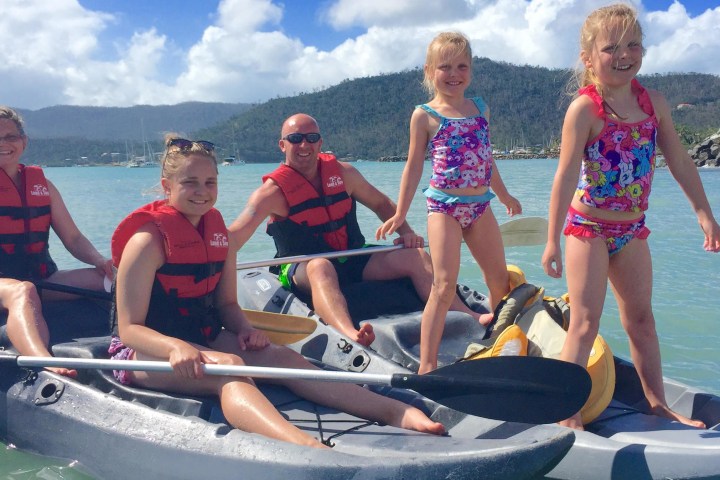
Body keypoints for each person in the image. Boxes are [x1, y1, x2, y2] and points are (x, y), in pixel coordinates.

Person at [109, 134, 445, 447]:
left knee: (284, 357)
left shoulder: (218, 236)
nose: (202, 191)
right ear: (168, 186)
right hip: (145, 352)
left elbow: (226, 304)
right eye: (190, 182)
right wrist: (175, 347)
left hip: (203, 336)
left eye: (210, 182)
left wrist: (244, 329)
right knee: (227, 369)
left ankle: (394, 412)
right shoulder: (146, 243)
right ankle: (303, 445)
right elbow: (129, 330)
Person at [541, 4, 720, 430]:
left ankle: (657, 404)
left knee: (642, 320)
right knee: (584, 323)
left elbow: (677, 158)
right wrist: (552, 239)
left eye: (633, 44)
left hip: (632, 229)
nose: (625, 54)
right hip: (588, 228)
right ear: (588, 59)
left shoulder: (653, 103)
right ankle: (566, 413)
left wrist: (704, 213)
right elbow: (564, 177)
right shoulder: (585, 110)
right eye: (612, 47)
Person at [229, 113, 487, 348]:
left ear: (320, 143)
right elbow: (237, 235)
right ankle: (349, 333)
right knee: (320, 266)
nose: (304, 145)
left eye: (312, 138)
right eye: (295, 139)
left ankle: (466, 314)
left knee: (415, 255)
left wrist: (405, 231)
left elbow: (381, 203)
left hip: (349, 255)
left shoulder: (344, 174)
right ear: (282, 145)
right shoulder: (270, 194)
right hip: (302, 267)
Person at [376, 32, 522, 374]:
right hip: (444, 208)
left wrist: (503, 194)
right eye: (445, 67)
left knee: (499, 280)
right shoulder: (424, 115)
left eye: (462, 66)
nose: (454, 74)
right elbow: (413, 167)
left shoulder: (480, 108)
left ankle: (497, 346)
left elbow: (487, 159)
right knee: (443, 286)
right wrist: (400, 212)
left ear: (471, 69)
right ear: (430, 70)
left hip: (480, 205)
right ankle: (427, 366)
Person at [0, 106, 113, 378]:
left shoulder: (42, 186)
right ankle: (43, 360)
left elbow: (72, 238)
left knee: (111, 281)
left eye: (10, 137)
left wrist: (100, 261)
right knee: (21, 291)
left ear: (23, 142)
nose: (3, 144)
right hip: (7, 286)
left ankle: (146, 340)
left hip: (42, 278)